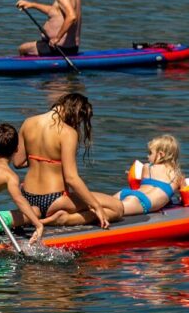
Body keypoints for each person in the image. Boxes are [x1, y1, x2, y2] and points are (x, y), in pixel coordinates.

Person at [14, 91, 119, 229]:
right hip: (54, 200)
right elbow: (71, 178)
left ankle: (38, 217)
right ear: (76, 113)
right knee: (116, 208)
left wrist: (41, 159)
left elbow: (18, 162)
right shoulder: (67, 133)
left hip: (28, 197)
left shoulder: (28, 122)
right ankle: (65, 219)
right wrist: (96, 206)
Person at [16, 0, 81, 57]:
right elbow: (54, 11)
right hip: (72, 48)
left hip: (58, 48)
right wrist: (32, 5)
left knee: (22, 48)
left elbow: (72, 16)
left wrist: (57, 38)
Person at [118, 133, 185, 217]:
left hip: (125, 193)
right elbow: (185, 197)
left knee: (102, 206)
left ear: (161, 155)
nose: (147, 156)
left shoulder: (146, 167)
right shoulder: (178, 176)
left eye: (150, 153)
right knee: (109, 213)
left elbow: (140, 187)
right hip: (142, 201)